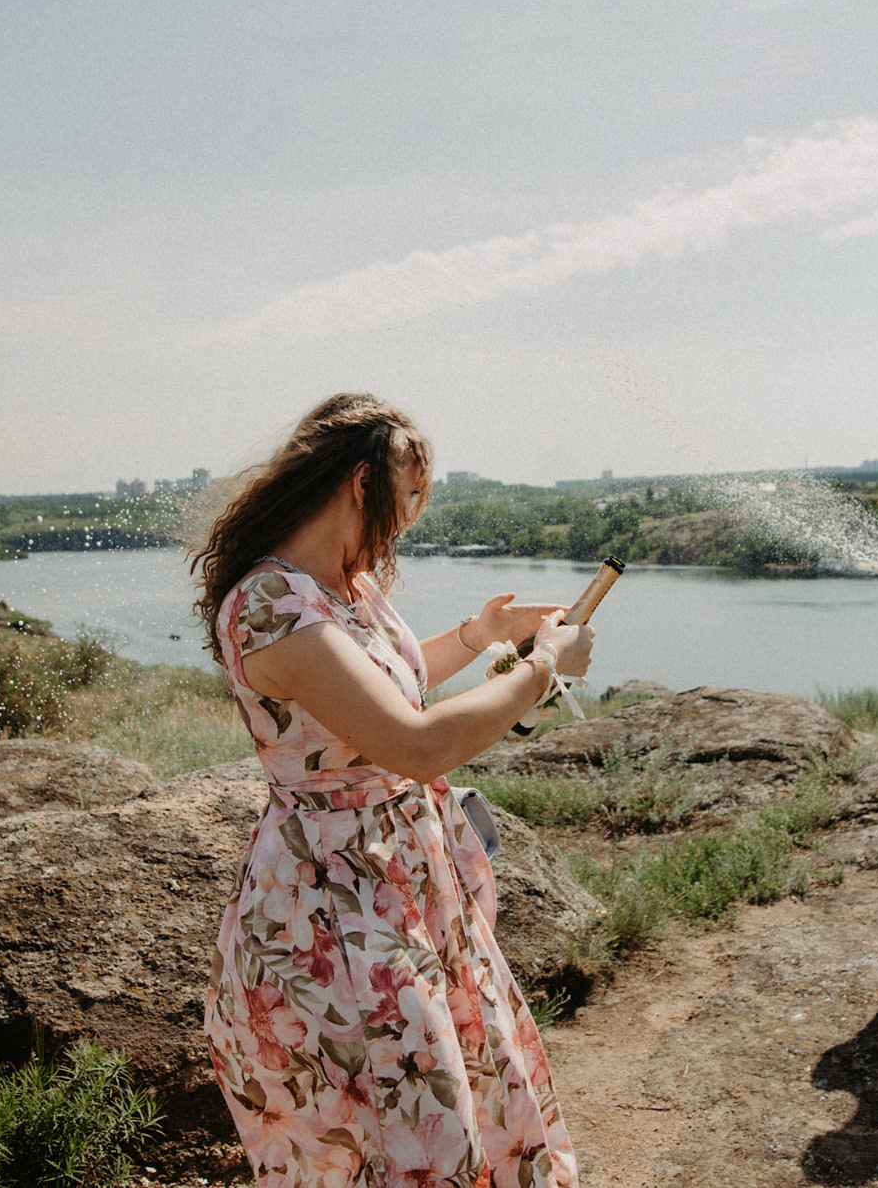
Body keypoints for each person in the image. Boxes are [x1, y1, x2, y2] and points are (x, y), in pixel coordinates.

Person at [192, 392, 588, 1188]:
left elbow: (384, 690)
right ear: (360, 480)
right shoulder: (270, 604)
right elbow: (415, 741)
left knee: (461, 1087)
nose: (408, 518)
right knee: (405, 1109)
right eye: (406, 495)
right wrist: (543, 671)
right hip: (335, 904)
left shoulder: (346, 584)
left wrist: (480, 638)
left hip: (402, 875)